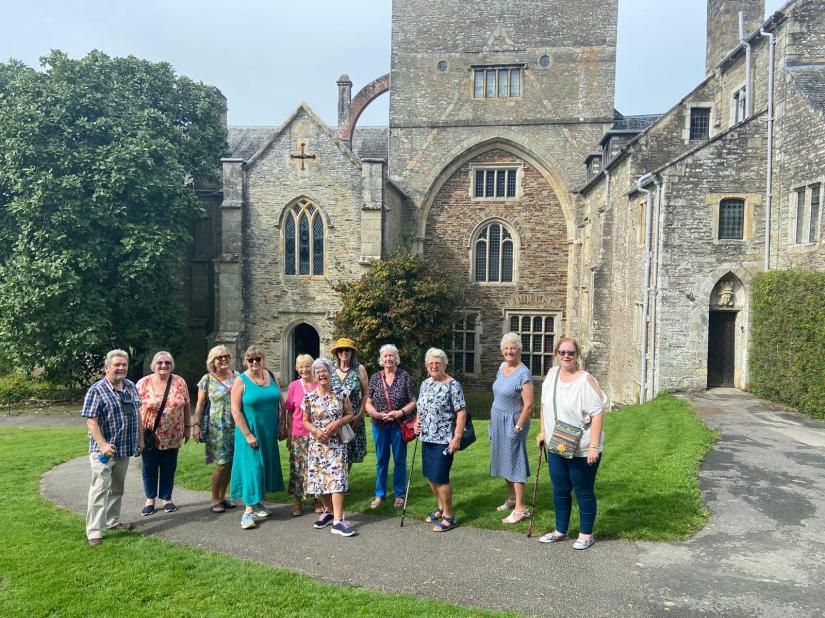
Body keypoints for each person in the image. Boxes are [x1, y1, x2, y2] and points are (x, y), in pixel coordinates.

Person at [536, 337, 606, 550]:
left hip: (582, 447)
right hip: (557, 443)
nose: (566, 356)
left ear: (577, 355)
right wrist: (543, 431)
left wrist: (593, 446)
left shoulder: (585, 380)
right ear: (557, 354)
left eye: (571, 353)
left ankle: (586, 534)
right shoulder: (551, 375)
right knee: (560, 489)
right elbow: (544, 406)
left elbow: (598, 413)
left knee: (583, 490)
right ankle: (560, 531)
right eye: (562, 352)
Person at [82, 349, 143, 546]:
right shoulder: (97, 390)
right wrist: (103, 445)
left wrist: (140, 439)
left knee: (117, 488)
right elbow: (91, 421)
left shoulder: (131, 386)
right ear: (106, 368)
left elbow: (137, 414)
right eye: (117, 365)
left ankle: (112, 521)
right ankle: (94, 531)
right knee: (99, 490)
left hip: (124, 448)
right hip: (104, 451)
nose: (121, 368)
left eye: (124, 364)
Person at [230, 345, 285, 530]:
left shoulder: (272, 377)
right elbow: (235, 411)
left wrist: (283, 425)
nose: (254, 362)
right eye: (250, 359)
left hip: (269, 430)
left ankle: (258, 502)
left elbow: (281, 403)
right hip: (250, 431)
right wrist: (247, 434)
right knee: (253, 468)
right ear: (246, 361)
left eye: (258, 359)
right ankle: (248, 512)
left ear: (263, 360)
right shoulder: (240, 380)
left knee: (264, 466)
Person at [414, 348, 467, 532]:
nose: (434, 366)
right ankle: (441, 507)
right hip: (427, 437)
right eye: (430, 363)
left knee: (440, 477)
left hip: (444, 439)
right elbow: (421, 407)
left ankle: (449, 516)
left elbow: (461, 413)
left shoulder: (453, 385)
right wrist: (417, 422)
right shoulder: (425, 384)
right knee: (430, 475)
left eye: (437, 363)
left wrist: (456, 438)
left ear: (444, 364)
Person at [303, 357, 357, 537]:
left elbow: (350, 414)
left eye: (324, 371)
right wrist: (316, 431)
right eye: (318, 372)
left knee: (337, 480)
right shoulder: (309, 397)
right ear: (314, 376)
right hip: (318, 444)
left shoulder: (341, 393)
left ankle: (338, 521)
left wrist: (337, 423)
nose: (321, 375)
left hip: (336, 444)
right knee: (321, 480)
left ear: (330, 373)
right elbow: (305, 421)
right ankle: (329, 512)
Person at [136, 351, 191, 516]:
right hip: (150, 435)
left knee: (169, 466)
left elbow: (187, 405)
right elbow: (135, 410)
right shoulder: (143, 383)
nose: (163, 365)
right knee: (149, 467)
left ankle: (167, 498)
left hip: (173, 434)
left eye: (167, 362)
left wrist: (187, 427)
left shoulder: (179, 381)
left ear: (172, 365)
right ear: (153, 365)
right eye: (160, 362)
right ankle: (150, 499)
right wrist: (137, 433)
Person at [489, 332, 534, 524]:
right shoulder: (502, 367)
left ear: (519, 350)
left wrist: (517, 427)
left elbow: (529, 405)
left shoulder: (524, 373)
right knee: (504, 460)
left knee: (515, 463)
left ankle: (520, 509)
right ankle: (512, 499)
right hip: (498, 421)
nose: (509, 351)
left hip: (513, 423)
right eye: (506, 348)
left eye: (512, 348)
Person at [365, 343, 417, 509]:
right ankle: (379, 494)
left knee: (399, 460)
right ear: (381, 359)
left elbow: (413, 402)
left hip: (398, 426)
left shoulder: (404, 376)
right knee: (381, 460)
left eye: (391, 355)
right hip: (379, 425)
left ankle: (399, 493)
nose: (388, 358)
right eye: (385, 355)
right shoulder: (375, 378)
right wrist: (375, 414)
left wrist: (400, 412)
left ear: (396, 358)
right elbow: (368, 403)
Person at [193, 345, 240, 513]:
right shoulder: (207, 379)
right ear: (212, 361)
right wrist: (196, 425)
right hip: (217, 427)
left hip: (236, 424)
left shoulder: (238, 376)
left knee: (231, 463)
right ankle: (214, 498)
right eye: (219, 357)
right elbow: (200, 404)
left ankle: (222, 496)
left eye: (226, 356)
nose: (224, 359)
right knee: (221, 463)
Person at [283, 354, 317, 517]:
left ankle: (317, 500)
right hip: (298, 433)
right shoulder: (293, 386)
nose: (304, 369)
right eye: (301, 367)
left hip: (317, 434)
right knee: (298, 468)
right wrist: (289, 433)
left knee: (316, 467)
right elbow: (289, 412)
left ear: (313, 367)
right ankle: (297, 502)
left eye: (307, 366)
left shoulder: (319, 384)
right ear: (297, 369)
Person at [330, 337, 369, 472]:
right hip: (334, 419)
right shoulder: (330, 369)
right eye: (340, 350)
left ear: (352, 352)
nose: (344, 352)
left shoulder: (359, 369)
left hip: (354, 418)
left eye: (347, 350)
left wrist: (360, 414)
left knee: (349, 452)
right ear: (336, 353)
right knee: (333, 451)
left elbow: (366, 394)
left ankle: (344, 480)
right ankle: (336, 480)